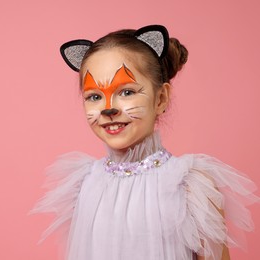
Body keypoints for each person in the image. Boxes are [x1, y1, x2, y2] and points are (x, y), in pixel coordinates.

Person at [31, 25, 258, 260]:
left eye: (127, 92)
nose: (109, 108)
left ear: (161, 99)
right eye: (94, 96)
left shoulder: (189, 188)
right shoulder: (83, 185)